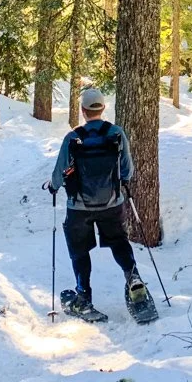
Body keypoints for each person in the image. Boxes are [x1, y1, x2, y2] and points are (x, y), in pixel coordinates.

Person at [48, 88, 143, 317]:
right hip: (112, 204)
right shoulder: (116, 133)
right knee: (119, 242)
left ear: (82, 110)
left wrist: (53, 186)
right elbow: (127, 170)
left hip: (79, 207)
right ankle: (133, 278)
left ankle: (84, 295)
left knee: (79, 251)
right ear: (103, 108)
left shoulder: (73, 137)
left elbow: (59, 172)